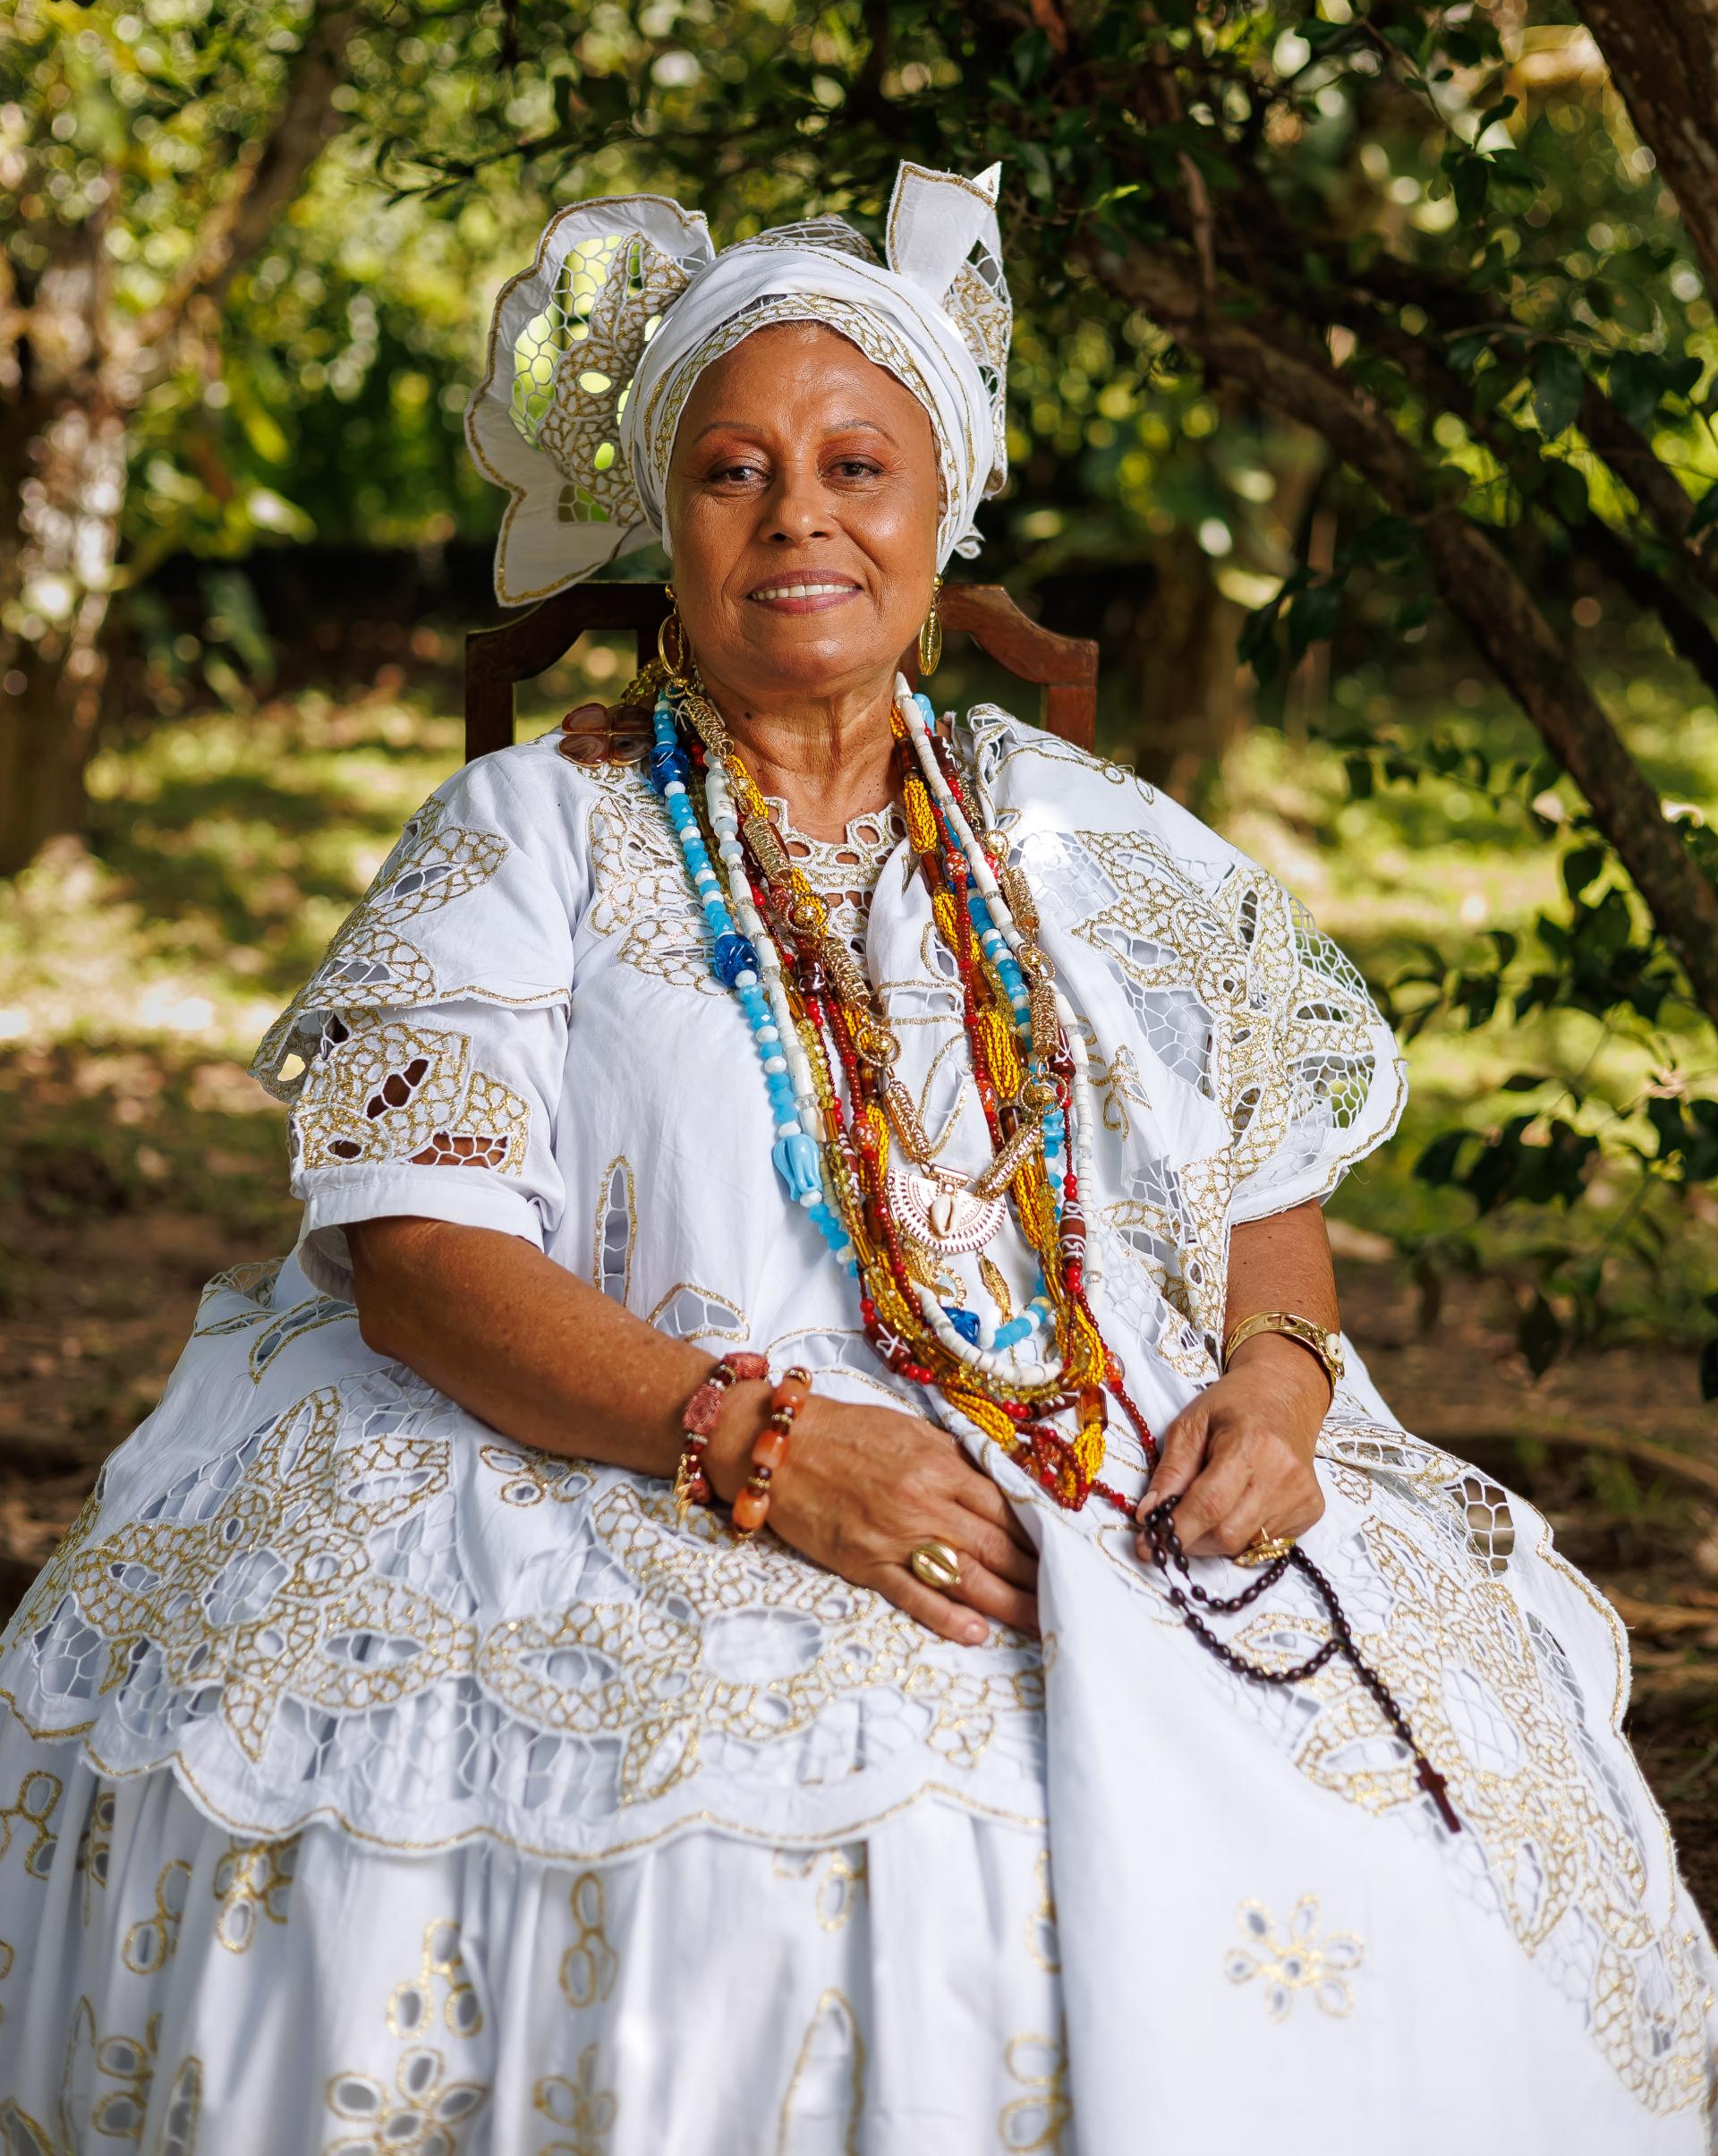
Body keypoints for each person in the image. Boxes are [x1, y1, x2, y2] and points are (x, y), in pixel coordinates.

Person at [0, 164, 1711, 2156]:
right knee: (834, 1836)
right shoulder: (522, 839)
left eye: (854, 464)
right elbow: (416, 1250)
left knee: (1410, 1783)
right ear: (667, 521)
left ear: (936, 514)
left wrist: (1277, 1381)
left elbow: (1266, 1188)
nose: (797, 513)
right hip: (623, 1446)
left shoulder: (1092, 834)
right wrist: (762, 1443)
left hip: (1117, 1457)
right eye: (733, 472)